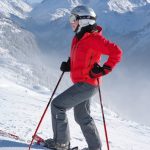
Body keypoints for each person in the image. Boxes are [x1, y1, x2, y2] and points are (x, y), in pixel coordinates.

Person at [44, 5, 123, 150]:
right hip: (84, 83)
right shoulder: (78, 37)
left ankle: (61, 144)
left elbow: (116, 52)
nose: (71, 22)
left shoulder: (94, 39)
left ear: (84, 20)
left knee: (58, 106)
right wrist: (70, 65)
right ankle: (95, 148)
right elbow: (84, 58)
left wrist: (104, 70)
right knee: (82, 117)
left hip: (87, 84)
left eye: (73, 19)